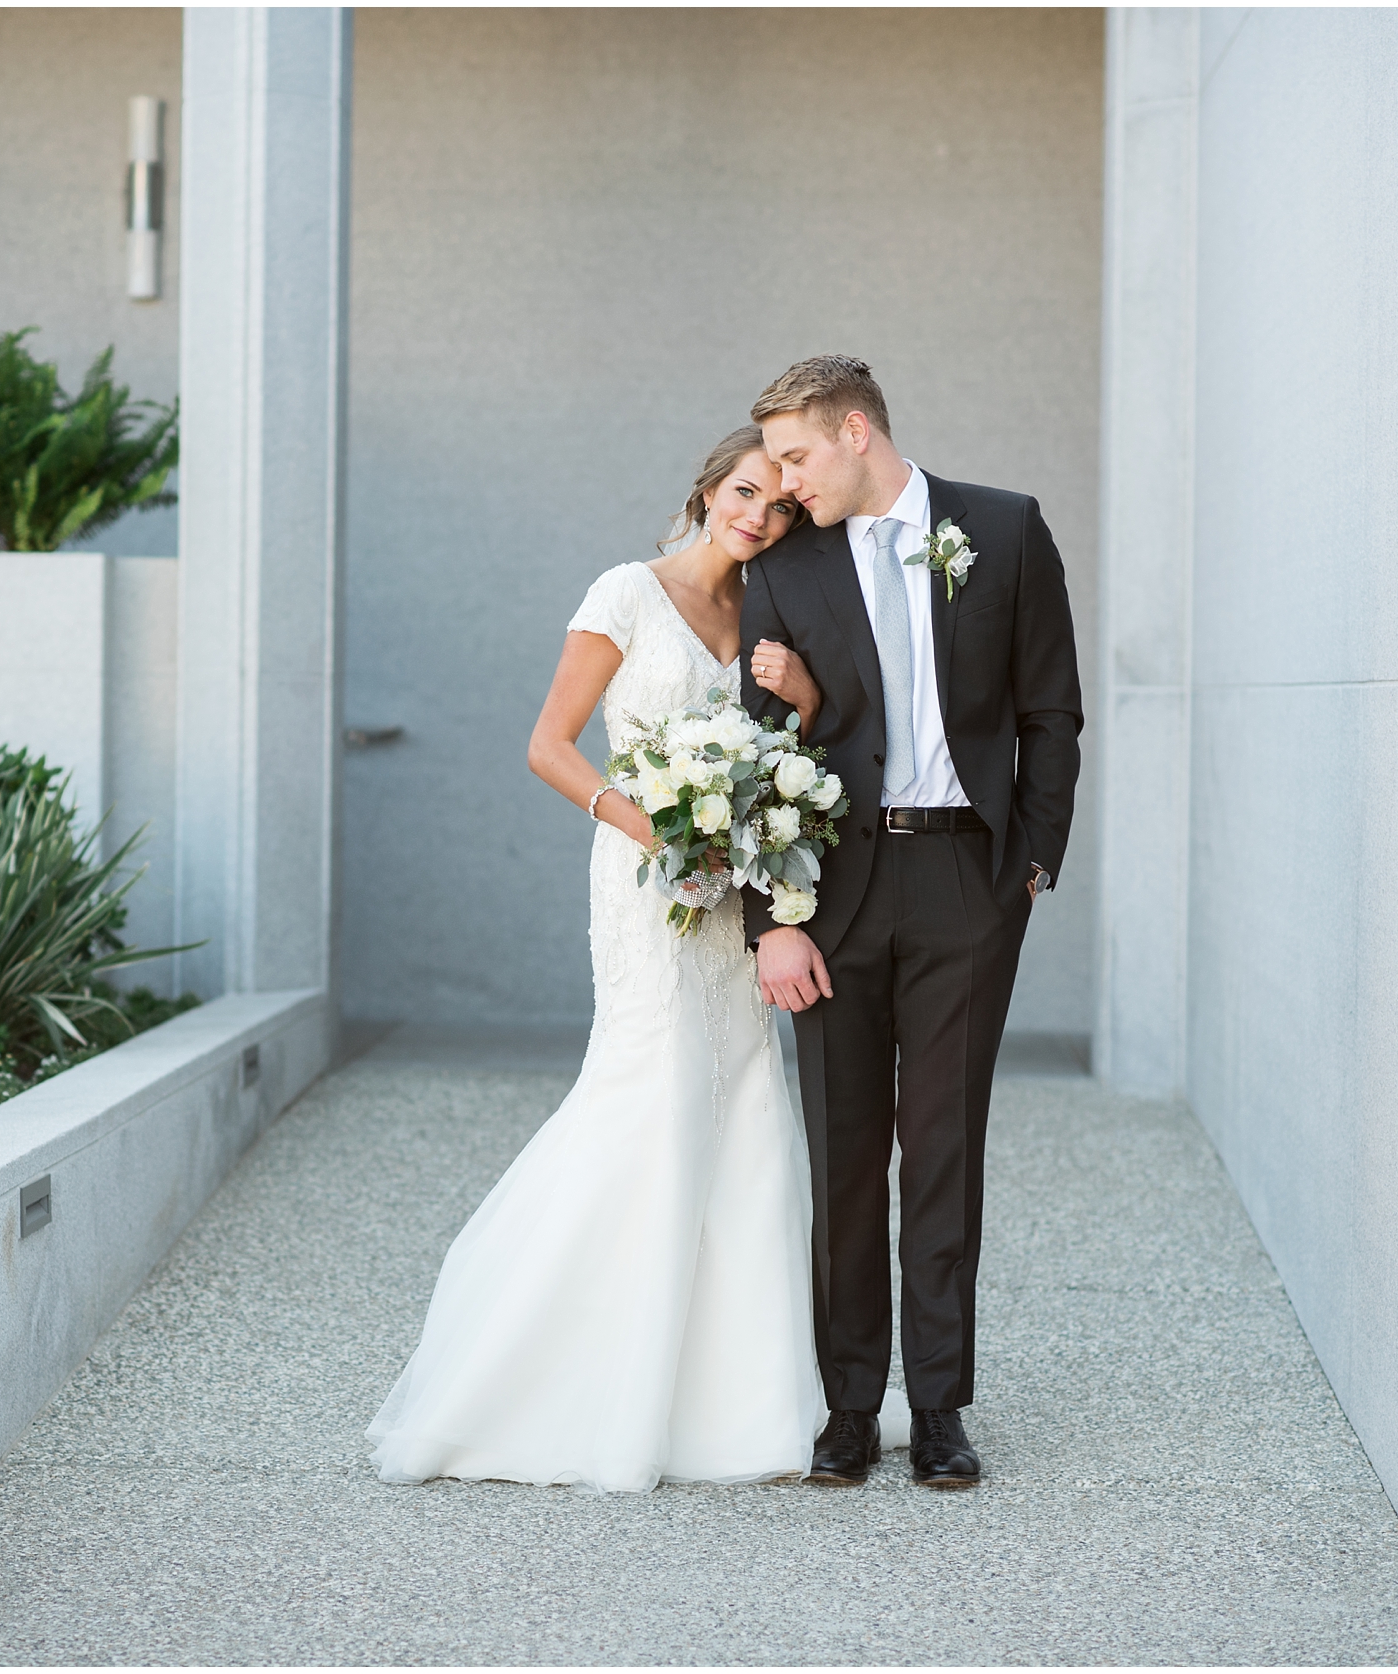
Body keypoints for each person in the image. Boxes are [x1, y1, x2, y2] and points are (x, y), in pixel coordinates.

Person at [367, 428, 836, 1492]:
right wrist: (656, 834)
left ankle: (736, 1401)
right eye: (744, 492)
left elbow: (783, 758)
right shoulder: (626, 591)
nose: (757, 515)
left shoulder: (768, 615)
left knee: (749, 1102)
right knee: (653, 1094)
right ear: (709, 487)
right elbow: (548, 743)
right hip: (646, 881)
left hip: (731, 896)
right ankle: (556, 1379)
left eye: (779, 507)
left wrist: (801, 701)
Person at [740, 354, 1084, 1490]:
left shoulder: (1005, 528)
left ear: (855, 431)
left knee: (942, 1152)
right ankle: (849, 1410)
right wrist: (768, 920)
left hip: (964, 887)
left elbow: (1049, 709)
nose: (782, 485)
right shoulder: (784, 568)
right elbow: (755, 755)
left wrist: (1029, 864)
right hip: (832, 888)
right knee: (844, 1156)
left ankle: (937, 1406)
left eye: (795, 458)